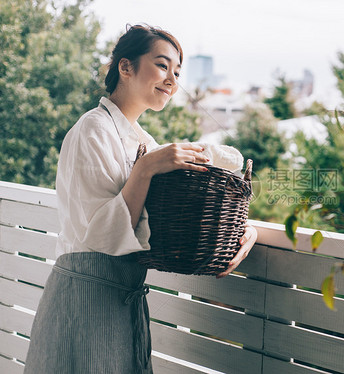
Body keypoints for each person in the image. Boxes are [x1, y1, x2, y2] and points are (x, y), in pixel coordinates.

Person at [23, 24, 258, 374]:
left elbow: (182, 213)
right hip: (84, 299)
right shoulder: (92, 130)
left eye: (177, 72)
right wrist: (145, 170)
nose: (172, 80)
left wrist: (245, 231)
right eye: (162, 65)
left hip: (122, 298)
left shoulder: (143, 141)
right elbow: (100, 236)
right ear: (126, 66)